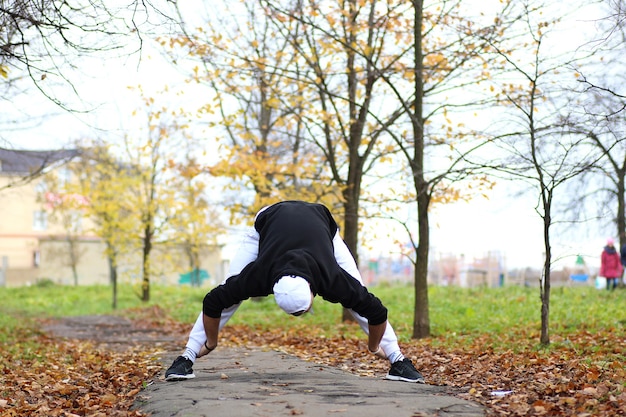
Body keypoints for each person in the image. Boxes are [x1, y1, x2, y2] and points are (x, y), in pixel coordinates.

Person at [165, 200, 424, 383]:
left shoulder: (331, 277)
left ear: (313, 291)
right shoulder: (258, 275)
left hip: (321, 224)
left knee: (359, 293)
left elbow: (376, 310)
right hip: (265, 224)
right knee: (229, 290)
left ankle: (398, 360)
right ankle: (186, 357)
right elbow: (213, 301)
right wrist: (210, 342)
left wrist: (374, 347)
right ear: (273, 290)